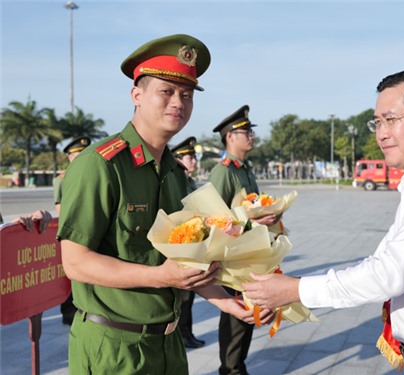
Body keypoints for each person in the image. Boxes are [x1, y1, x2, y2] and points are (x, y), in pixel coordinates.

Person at [244, 69, 404, 375]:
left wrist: (296, 290)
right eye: (377, 122)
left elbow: (390, 274)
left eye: (391, 120)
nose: (381, 133)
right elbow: (383, 260)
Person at [56, 34, 273, 375]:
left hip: (167, 345)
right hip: (113, 347)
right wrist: (159, 277)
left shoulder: (173, 173)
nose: (178, 103)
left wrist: (230, 304)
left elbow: (182, 263)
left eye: (186, 95)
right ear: (137, 95)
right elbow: (76, 263)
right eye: (166, 92)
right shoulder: (99, 165)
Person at [209, 105, 281, 375]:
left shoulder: (245, 170)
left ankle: (238, 365)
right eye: (245, 131)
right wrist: (251, 222)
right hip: (232, 259)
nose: (251, 136)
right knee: (236, 316)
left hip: (249, 255)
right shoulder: (224, 172)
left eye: (250, 131)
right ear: (230, 137)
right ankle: (230, 369)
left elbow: (250, 209)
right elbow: (212, 219)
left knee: (249, 314)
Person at [171, 136, 205, 349]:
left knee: (190, 296)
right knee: (183, 297)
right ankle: (181, 334)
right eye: (189, 156)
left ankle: (187, 332)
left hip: (194, 243)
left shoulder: (190, 181)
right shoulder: (176, 180)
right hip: (181, 243)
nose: (193, 160)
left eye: (193, 156)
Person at [54, 136, 91, 325]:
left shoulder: (92, 174)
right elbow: (60, 208)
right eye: (77, 154)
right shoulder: (62, 179)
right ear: (69, 157)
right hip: (71, 230)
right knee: (70, 275)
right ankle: (68, 313)